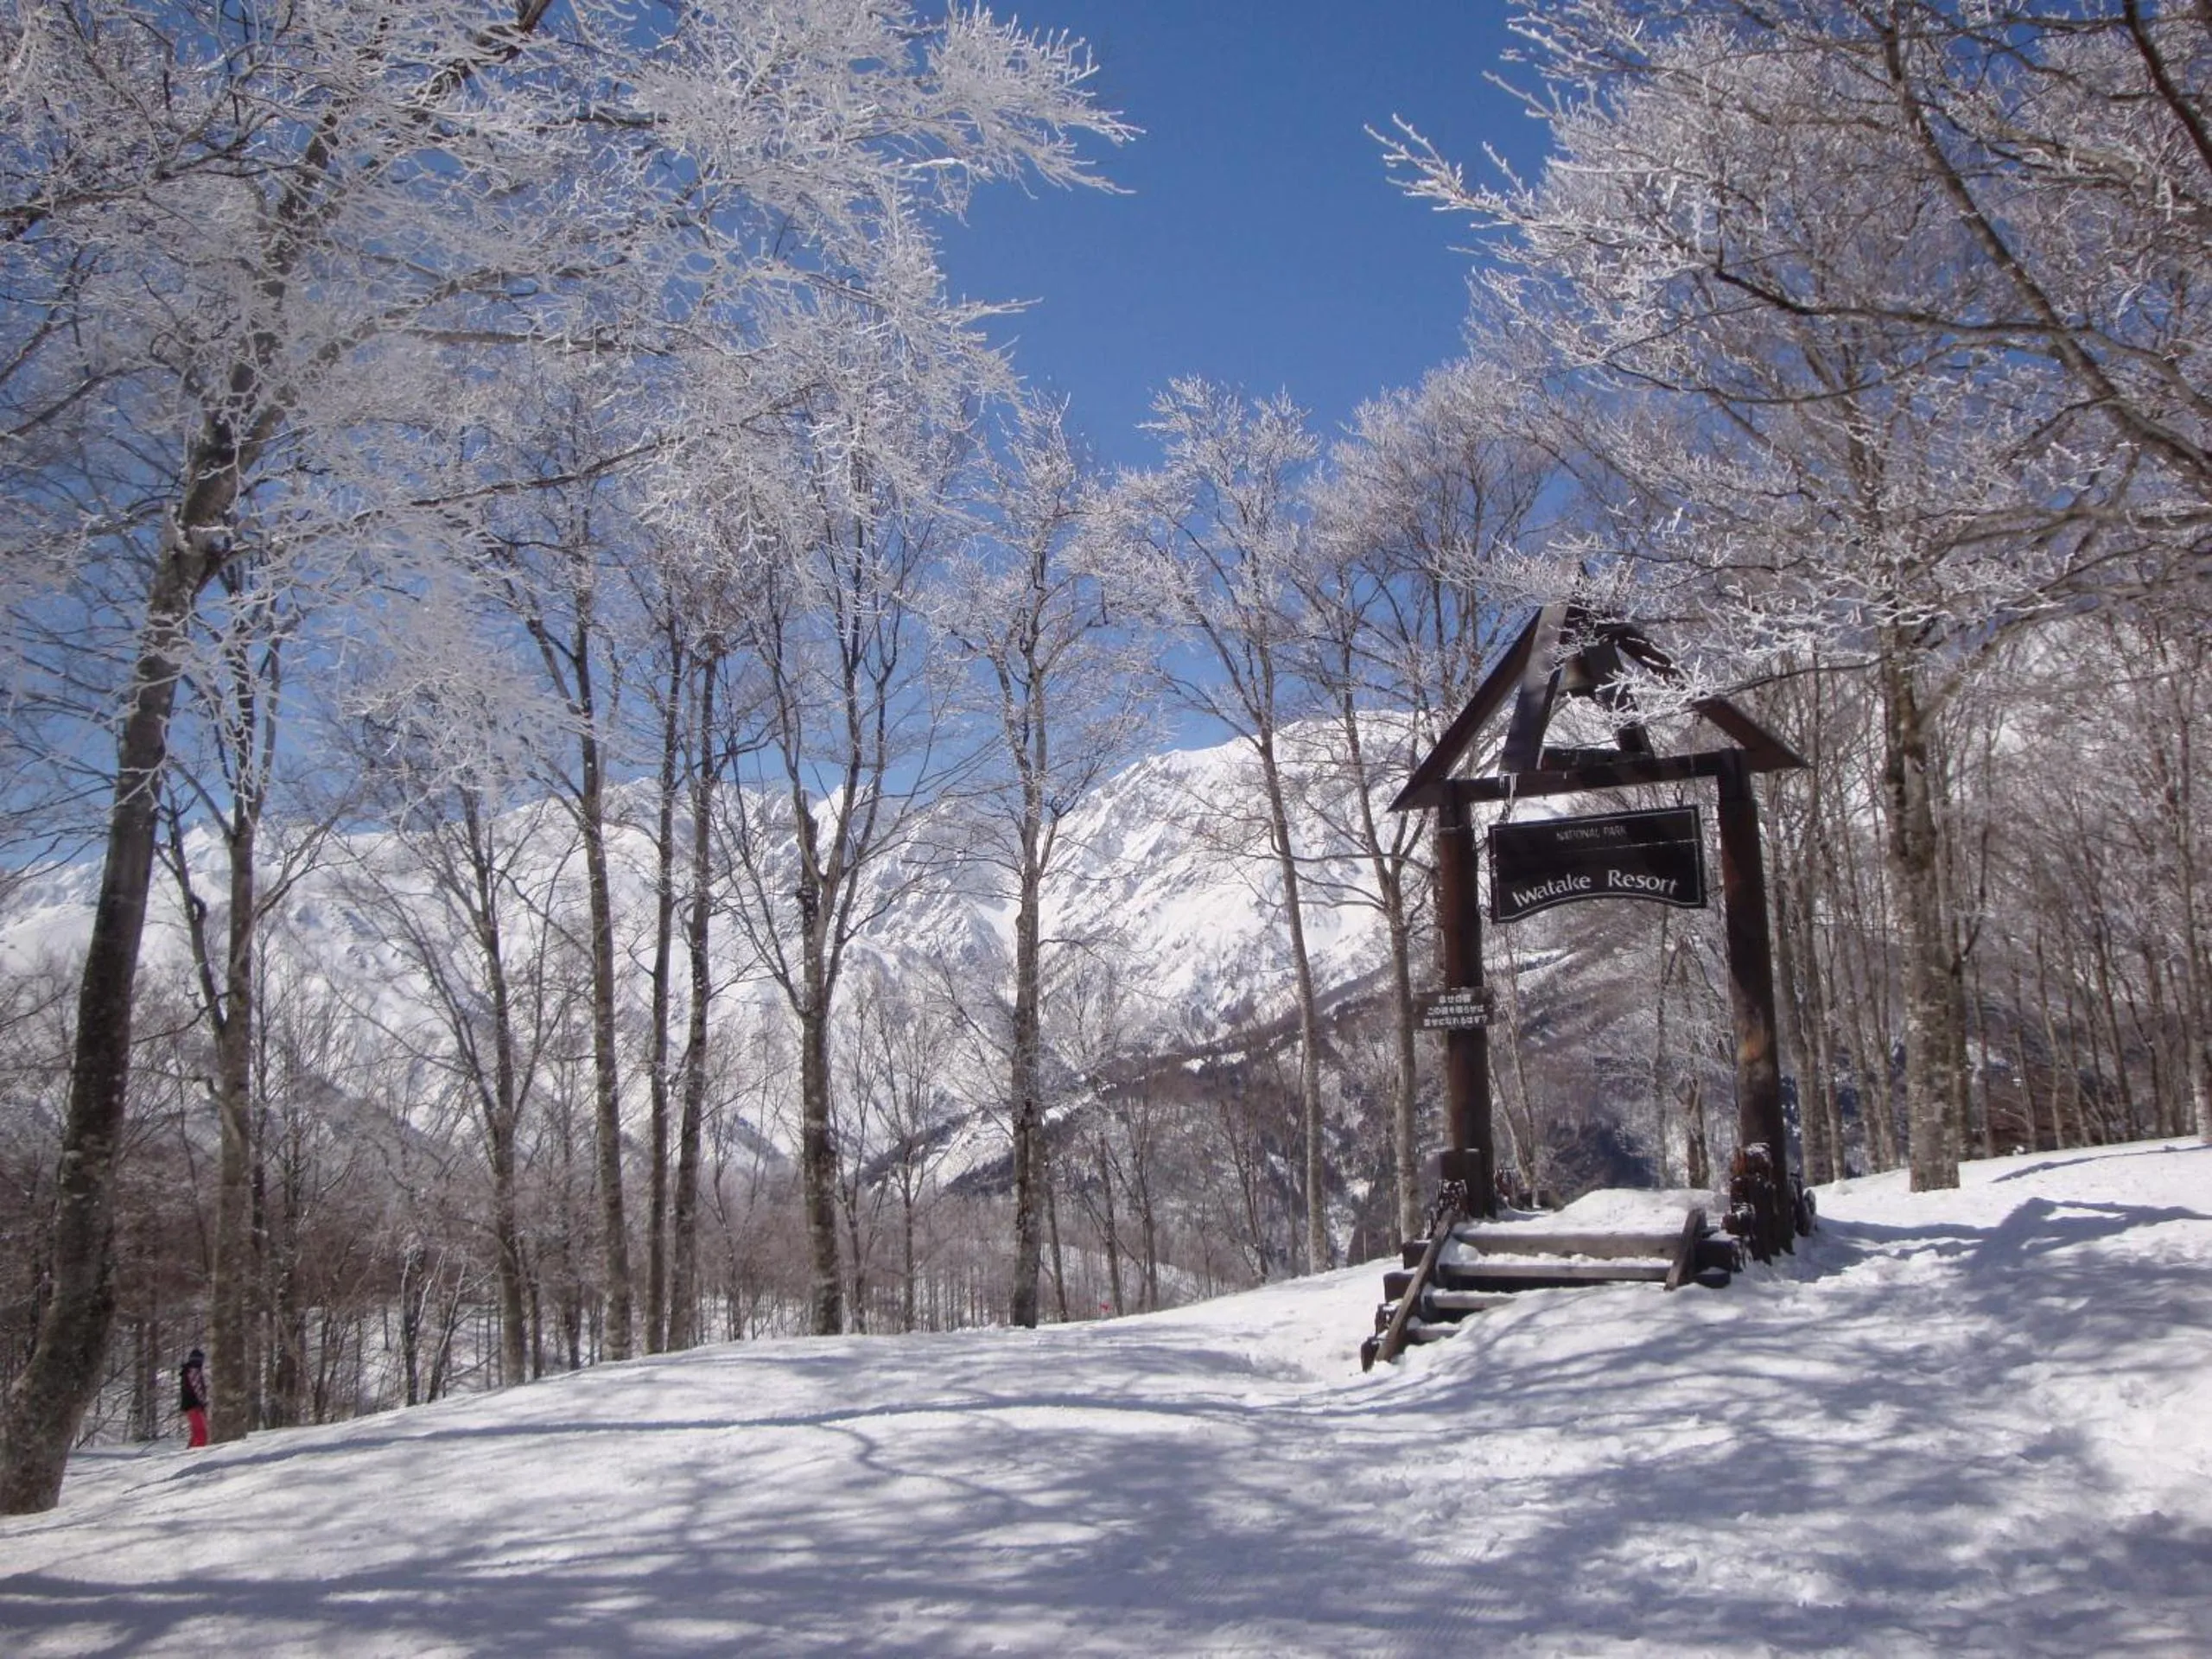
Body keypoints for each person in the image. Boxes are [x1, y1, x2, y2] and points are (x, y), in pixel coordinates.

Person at [179, 1349, 209, 1448]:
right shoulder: (194, 1371)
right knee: (202, 1433)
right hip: (194, 1405)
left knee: (196, 1432)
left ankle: (189, 1450)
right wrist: (203, 1403)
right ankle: (197, 1452)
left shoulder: (187, 1371)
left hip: (189, 1405)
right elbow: (198, 1389)